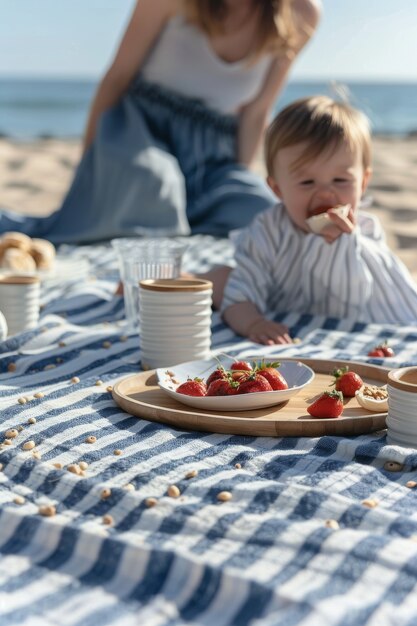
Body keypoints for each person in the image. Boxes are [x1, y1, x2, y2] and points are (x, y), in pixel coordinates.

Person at [0, 0, 321, 244]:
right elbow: (117, 78)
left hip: (212, 154)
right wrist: (90, 167)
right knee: (157, 185)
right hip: (139, 132)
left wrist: (237, 179)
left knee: (264, 214)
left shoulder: (303, 13)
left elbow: (256, 112)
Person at [214, 96, 417, 344]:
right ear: (277, 189)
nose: (325, 194)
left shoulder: (365, 231)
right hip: (279, 299)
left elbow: (363, 294)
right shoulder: (268, 230)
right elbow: (239, 294)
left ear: (363, 183)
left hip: (346, 317)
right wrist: (255, 323)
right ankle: (190, 277)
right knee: (223, 281)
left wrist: (341, 245)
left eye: (340, 181)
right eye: (307, 182)